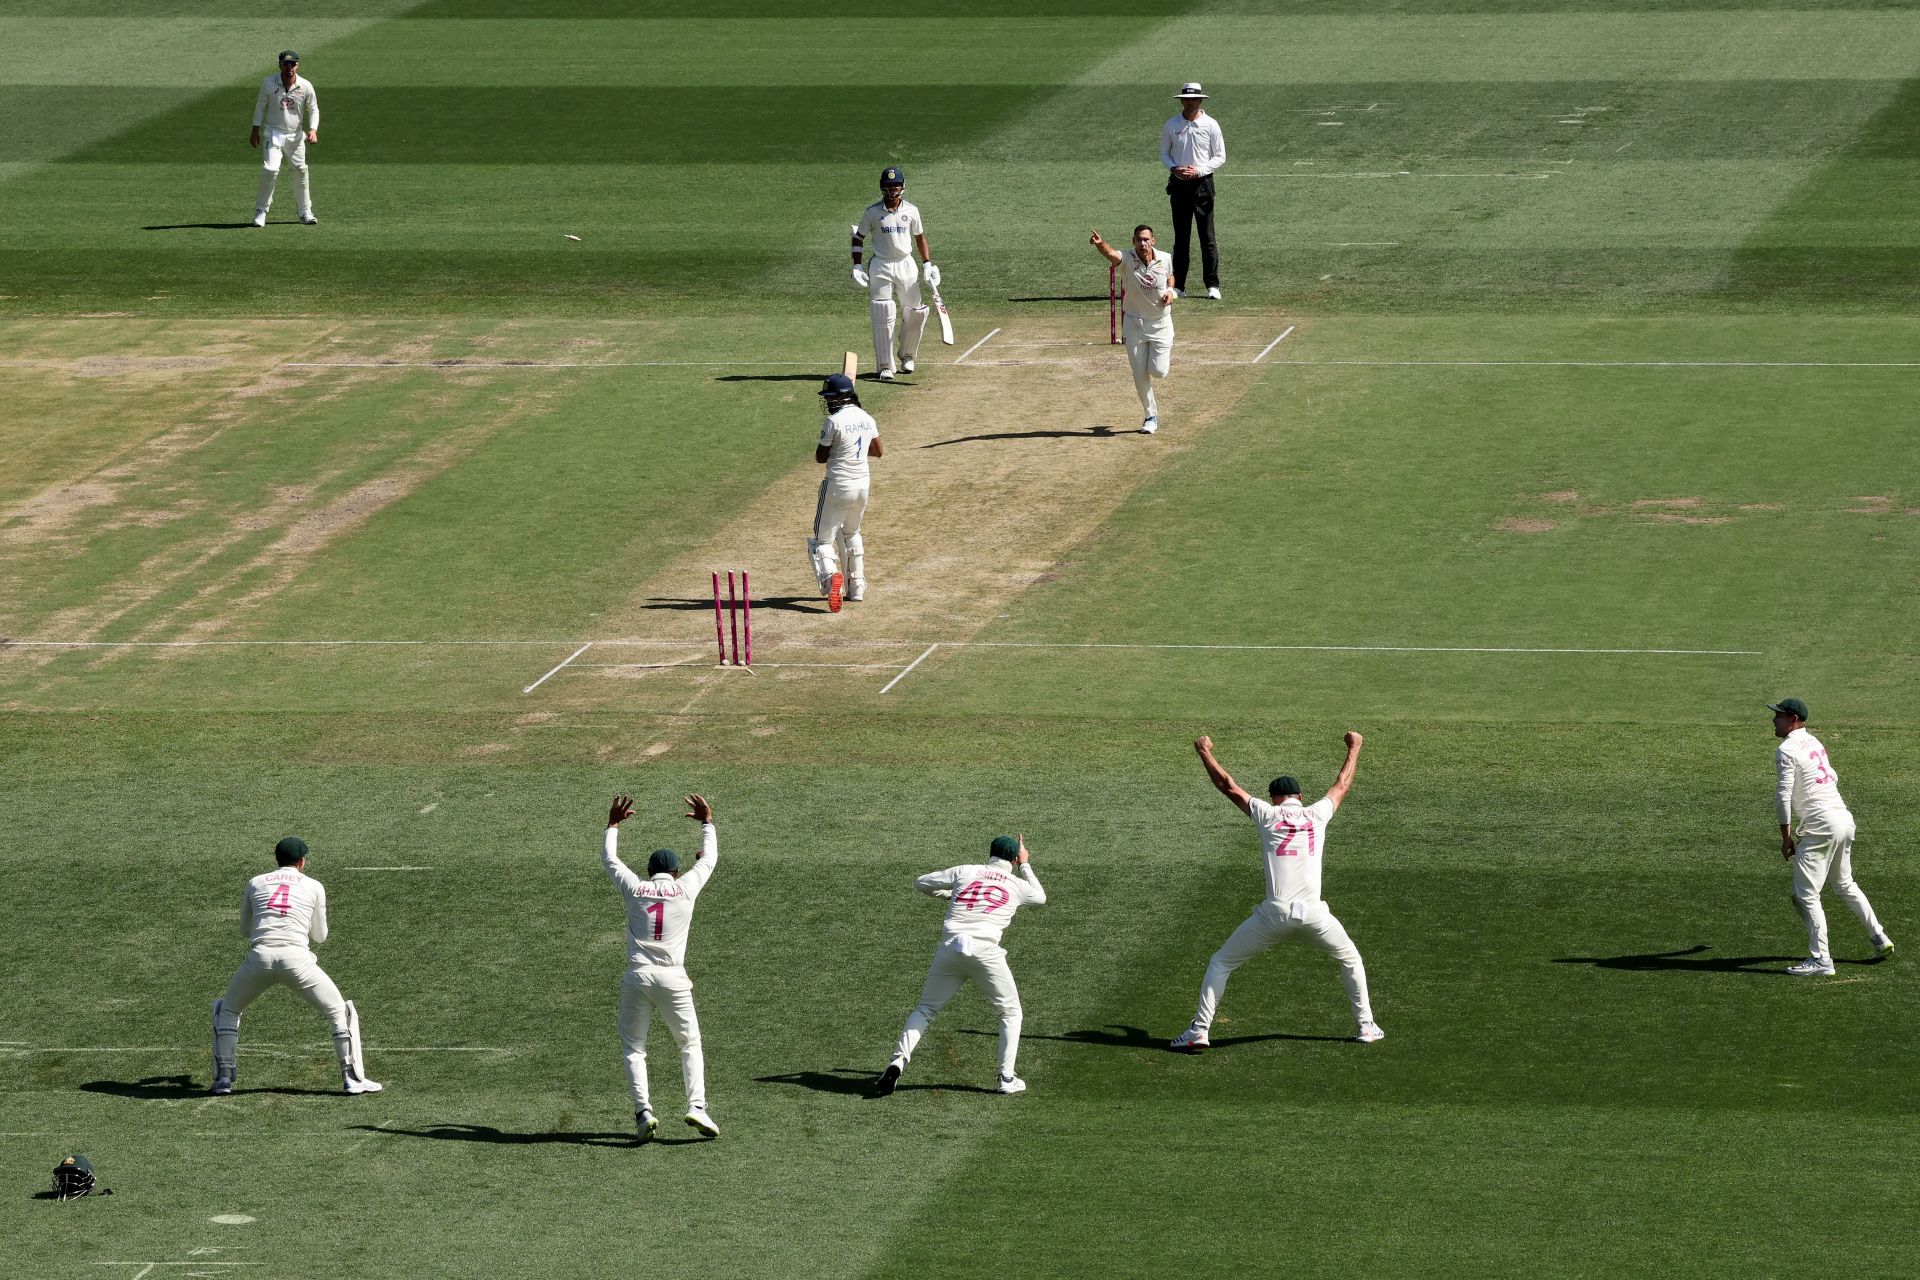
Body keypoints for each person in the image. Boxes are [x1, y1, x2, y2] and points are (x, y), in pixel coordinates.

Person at [1171, 733, 1383, 1052]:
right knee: (1350, 959)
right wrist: (1355, 747)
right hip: (1314, 915)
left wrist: (1204, 752)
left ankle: (1199, 1031)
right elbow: (1342, 785)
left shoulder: (1268, 815)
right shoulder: (1317, 814)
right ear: (1300, 796)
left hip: (1274, 915)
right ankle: (1366, 1026)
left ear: (1273, 798)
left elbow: (1227, 785)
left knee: (1221, 963)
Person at [872, 835, 1046, 1098]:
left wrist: (953, 895)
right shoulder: (1017, 884)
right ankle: (1006, 1077)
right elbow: (1041, 897)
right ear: (1013, 858)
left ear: (990, 853)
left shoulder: (965, 871)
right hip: (986, 952)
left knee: (926, 1009)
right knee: (1010, 1013)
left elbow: (921, 882)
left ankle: (897, 1062)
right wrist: (1026, 864)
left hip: (951, 949)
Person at [211, 836, 381, 1095]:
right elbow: (320, 936)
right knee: (339, 1012)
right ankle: (352, 1078)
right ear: (302, 862)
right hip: (297, 960)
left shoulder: (255, 882)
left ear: (276, 859)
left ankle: (223, 1078)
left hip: (260, 958)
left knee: (228, 1010)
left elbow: (245, 929)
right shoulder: (313, 886)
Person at [604, 793, 721, 1140]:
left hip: (637, 977)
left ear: (650, 872)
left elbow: (610, 860)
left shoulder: (636, 889)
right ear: (676, 872)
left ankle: (643, 1114)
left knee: (634, 1048)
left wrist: (612, 825)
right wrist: (707, 823)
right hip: (674, 980)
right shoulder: (685, 889)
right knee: (689, 1044)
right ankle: (696, 1107)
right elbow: (710, 860)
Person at [1769, 698, 1895, 975]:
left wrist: (1786, 836)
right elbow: (1832, 778)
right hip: (1843, 819)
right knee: (1844, 883)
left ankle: (1821, 960)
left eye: (1778, 716)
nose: (1773, 720)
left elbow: (1782, 796)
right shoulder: (1813, 742)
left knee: (1805, 895)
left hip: (1820, 826)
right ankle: (1879, 937)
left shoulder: (1786, 749)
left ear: (1793, 719)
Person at [851, 167, 938, 381]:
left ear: (903, 186)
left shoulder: (912, 211)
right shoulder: (872, 212)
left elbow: (920, 238)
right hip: (881, 265)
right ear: (882, 187)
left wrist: (927, 264)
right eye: (888, 186)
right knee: (882, 312)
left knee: (916, 312)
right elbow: (858, 237)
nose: (892, 190)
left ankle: (907, 355)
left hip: (905, 264)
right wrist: (857, 266)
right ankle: (884, 366)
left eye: (895, 185)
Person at [1090, 225, 1175, 433]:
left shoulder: (1165, 258)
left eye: (1146, 239)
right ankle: (1150, 416)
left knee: (1158, 371)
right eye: (1138, 240)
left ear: (1153, 240)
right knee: (1139, 374)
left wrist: (1170, 291)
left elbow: (1171, 276)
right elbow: (1110, 254)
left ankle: (1156, 364)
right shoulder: (1127, 259)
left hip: (1161, 324)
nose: (1142, 243)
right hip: (1134, 324)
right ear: (1133, 241)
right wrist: (1101, 245)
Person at [809, 373, 882, 610]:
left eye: (831, 397)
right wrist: (854, 452)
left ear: (842, 397)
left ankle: (831, 579)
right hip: (862, 486)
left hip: (838, 486)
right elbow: (878, 451)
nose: (828, 402)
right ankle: (857, 586)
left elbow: (820, 457)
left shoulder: (833, 422)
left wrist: (841, 451)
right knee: (852, 533)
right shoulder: (867, 418)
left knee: (822, 541)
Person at [1161, 82, 1226, 299]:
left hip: (1202, 185)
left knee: (1207, 237)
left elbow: (1220, 156)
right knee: (1181, 237)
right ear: (1182, 100)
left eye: (1194, 99)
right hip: (1179, 185)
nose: (1190, 103)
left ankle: (1212, 285)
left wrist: (1199, 171)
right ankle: (1178, 286)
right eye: (1186, 99)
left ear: (1200, 101)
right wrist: (1174, 168)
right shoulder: (1171, 124)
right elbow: (1164, 154)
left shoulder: (1211, 125)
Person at [249, 51, 319, 227]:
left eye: (293, 64)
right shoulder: (268, 83)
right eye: (286, 64)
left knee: (300, 170)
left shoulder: (305, 86)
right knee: (270, 170)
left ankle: (305, 212)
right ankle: (261, 211)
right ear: (280, 65)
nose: (290, 67)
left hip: (295, 136)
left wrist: (313, 129)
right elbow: (260, 106)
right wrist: (255, 130)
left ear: (298, 66)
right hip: (273, 134)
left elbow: (313, 109)